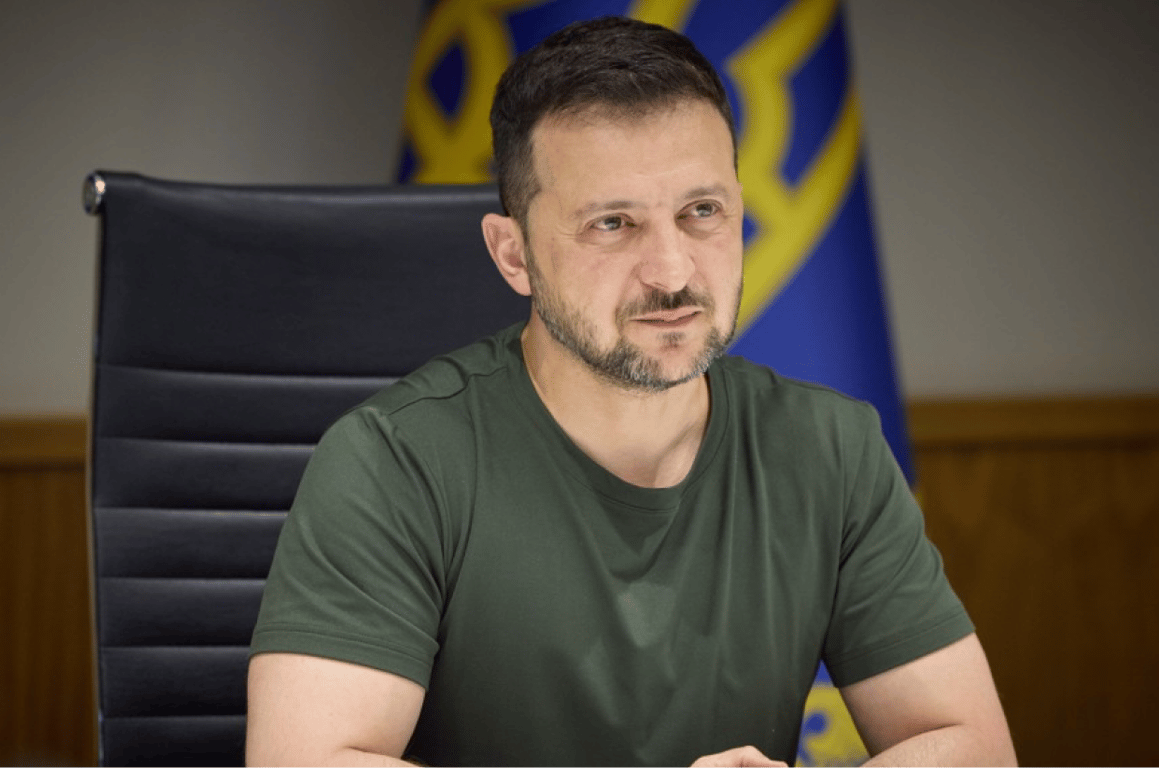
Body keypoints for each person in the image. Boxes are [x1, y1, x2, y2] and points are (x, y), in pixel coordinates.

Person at [244, 16, 1015, 768]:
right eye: (613, 224)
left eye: (702, 212)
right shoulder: (395, 461)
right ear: (513, 255)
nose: (672, 271)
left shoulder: (831, 449)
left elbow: (973, 744)